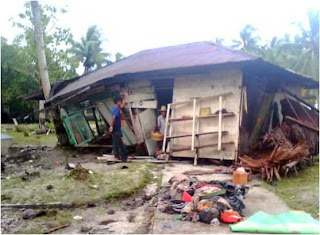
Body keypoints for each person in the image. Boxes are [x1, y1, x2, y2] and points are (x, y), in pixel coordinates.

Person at [109, 95, 131, 162]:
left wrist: (130, 118)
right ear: (118, 102)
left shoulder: (115, 108)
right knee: (121, 144)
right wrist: (112, 126)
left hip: (116, 129)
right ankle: (125, 158)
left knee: (115, 143)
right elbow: (114, 117)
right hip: (116, 129)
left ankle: (117, 156)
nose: (122, 103)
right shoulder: (116, 109)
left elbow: (122, 118)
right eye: (121, 102)